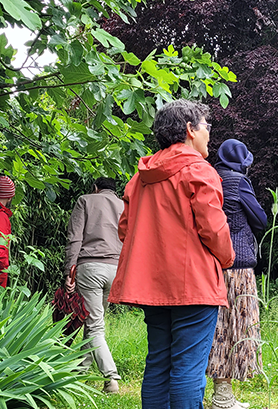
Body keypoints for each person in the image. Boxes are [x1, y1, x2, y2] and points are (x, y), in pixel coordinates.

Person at [108, 99, 235, 409]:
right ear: (190, 130)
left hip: (152, 285)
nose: (209, 134)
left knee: (158, 363)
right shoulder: (199, 171)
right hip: (194, 284)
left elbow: (125, 229)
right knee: (188, 367)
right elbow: (214, 229)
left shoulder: (140, 177)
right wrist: (228, 259)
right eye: (206, 126)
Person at [207, 139, 267, 409]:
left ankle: (220, 392)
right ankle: (223, 397)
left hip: (211, 262)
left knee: (218, 326)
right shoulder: (237, 181)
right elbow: (261, 220)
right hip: (239, 263)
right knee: (241, 325)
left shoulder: (209, 176)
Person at [64, 177, 124, 393]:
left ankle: (111, 377)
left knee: (94, 325)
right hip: (116, 269)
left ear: (96, 188)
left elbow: (75, 239)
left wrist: (69, 271)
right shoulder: (124, 205)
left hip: (90, 268)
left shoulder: (85, 201)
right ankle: (80, 372)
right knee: (94, 323)